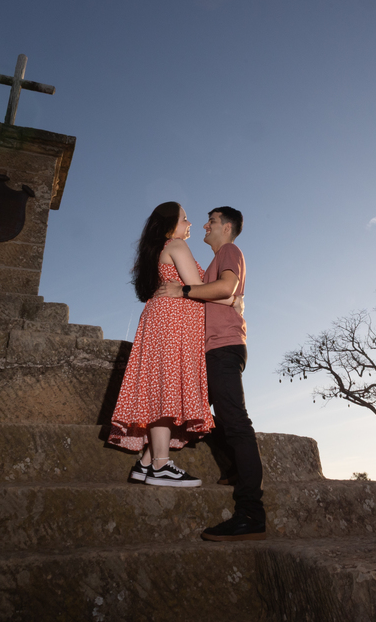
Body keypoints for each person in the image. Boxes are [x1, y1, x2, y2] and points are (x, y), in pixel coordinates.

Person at [107, 202, 239, 487]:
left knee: (164, 386)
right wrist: (231, 299)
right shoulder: (177, 246)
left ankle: (144, 464)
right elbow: (194, 286)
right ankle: (160, 465)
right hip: (172, 323)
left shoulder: (160, 250)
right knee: (168, 389)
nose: (190, 223)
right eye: (185, 218)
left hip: (163, 320)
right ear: (170, 224)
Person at [156, 206, 266, 541]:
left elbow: (226, 289)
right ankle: (233, 467)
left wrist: (182, 291)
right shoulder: (214, 263)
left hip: (223, 348)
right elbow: (223, 295)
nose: (205, 225)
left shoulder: (230, 250)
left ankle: (251, 513)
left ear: (227, 227)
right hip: (211, 350)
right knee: (202, 412)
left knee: (235, 420)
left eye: (212, 221)